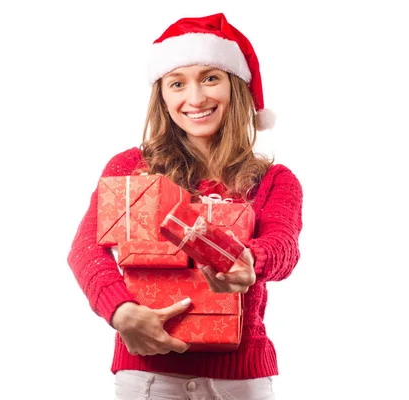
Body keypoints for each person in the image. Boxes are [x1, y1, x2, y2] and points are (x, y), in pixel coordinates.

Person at [67, 13, 303, 400]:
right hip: (148, 379)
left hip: (238, 382)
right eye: (177, 83)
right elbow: (86, 250)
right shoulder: (131, 167)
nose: (195, 99)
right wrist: (122, 312)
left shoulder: (275, 180)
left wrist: (250, 259)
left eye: (210, 78)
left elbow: (284, 247)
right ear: (162, 95)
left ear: (236, 86)